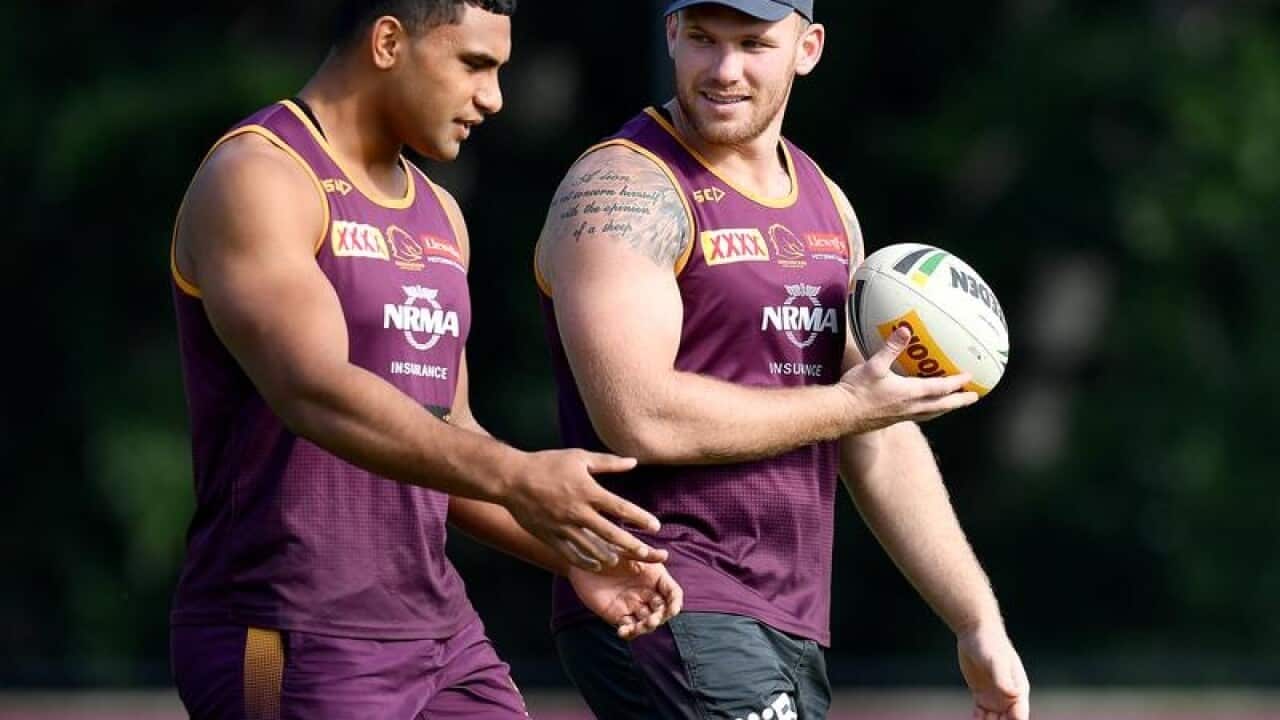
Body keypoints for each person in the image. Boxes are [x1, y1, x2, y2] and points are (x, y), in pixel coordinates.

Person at [167, 1, 683, 718]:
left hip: (440, 637)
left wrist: (575, 552)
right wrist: (520, 476)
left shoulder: (441, 213)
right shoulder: (261, 175)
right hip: (291, 629)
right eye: (474, 63)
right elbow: (312, 390)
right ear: (387, 41)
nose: (493, 97)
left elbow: (451, 435)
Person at [533, 1, 1030, 718]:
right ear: (670, 34)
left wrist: (976, 621)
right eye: (702, 40)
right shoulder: (625, 189)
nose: (724, 69)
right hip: (665, 593)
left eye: (753, 44)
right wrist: (850, 405)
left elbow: (877, 432)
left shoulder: (827, 204)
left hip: (788, 619)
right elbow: (637, 416)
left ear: (809, 47)